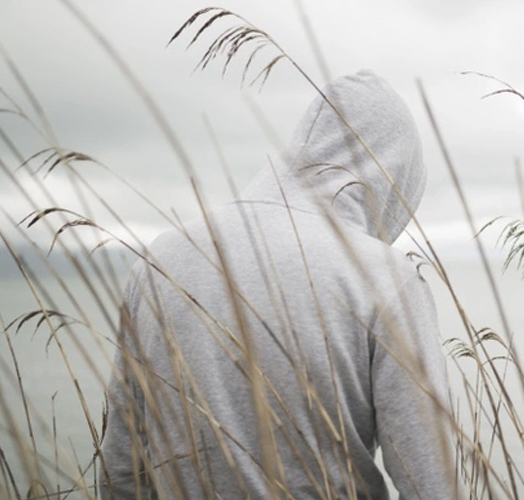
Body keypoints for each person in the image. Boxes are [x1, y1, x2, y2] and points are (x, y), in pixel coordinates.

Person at [100, 69, 458, 500]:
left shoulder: (159, 260)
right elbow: (433, 486)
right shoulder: (387, 278)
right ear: (393, 177)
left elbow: (121, 470)